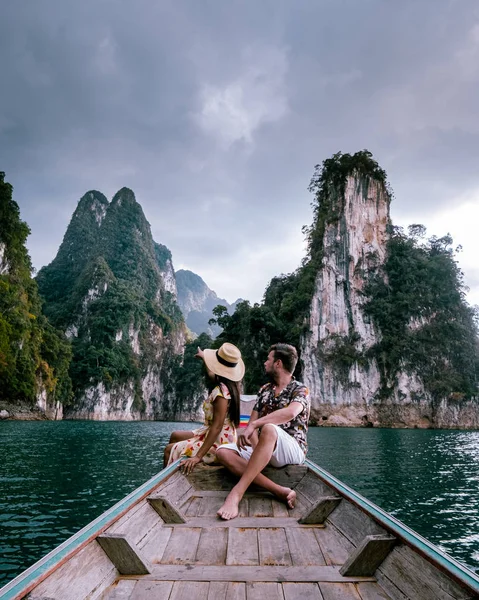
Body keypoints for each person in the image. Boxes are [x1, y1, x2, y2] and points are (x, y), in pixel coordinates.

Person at [216, 343, 310, 520]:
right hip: (264, 446)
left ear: (278, 363)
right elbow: (251, 424)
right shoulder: (264, 390)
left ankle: (236, 493)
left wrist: (256, 425)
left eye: (268, 359)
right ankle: (278, 490)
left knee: (268, 428)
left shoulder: (300, 389)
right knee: (223, 452)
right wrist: (250, 439)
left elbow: (291, 412)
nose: (265, 362)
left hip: (292, 449)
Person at [164, 342, 244, 475]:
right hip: (214, 433)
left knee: (169, 449)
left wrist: (198, 456)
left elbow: (217, 426)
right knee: (175, 435)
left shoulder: (221, 394)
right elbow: (211, 372)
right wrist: (204, 357)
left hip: (219, 442)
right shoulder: (228, 384)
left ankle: (164, 484)